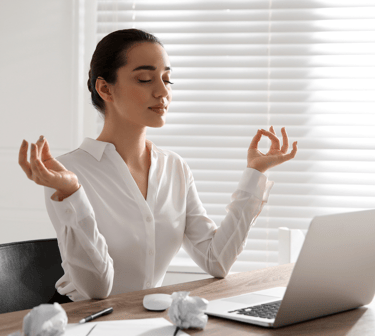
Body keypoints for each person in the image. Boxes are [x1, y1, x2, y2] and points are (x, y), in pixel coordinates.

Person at [18, 29, 298, 302]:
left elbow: (217, 260)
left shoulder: (175, 167)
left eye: (167, 79)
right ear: (105, 88)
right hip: (78, 320)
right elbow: (96, 290)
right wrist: (73, 194)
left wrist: (255, 174)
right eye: (144, 79)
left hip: (142, 319)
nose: (163, 91)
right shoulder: (67, 175)